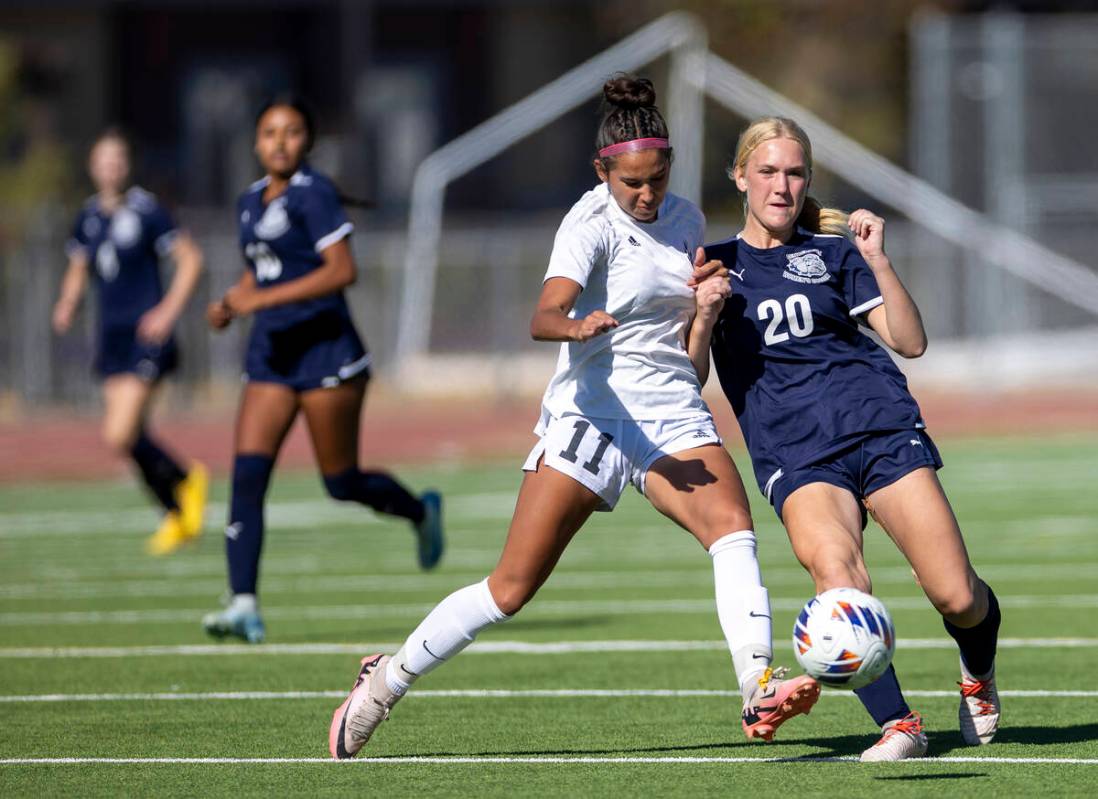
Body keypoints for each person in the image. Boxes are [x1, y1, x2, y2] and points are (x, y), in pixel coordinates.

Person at [328, 77, 820, 761]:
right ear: (603, 171)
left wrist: (705, 310)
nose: (646, 195)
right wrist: (575, 323)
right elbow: (542, 315)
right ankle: (382, 683)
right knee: (509, 589)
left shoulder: (682, 221)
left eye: (657, 178)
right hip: (591, 419)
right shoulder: (589, 225)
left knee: (733, 530)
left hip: (671, 413)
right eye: (633, 184)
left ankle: (756, 683)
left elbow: (688, 358)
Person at [697, 116, 1002, 762]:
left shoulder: (834, 253)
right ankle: (900, 725)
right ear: (740, 176)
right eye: (768, 171)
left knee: (957, 594)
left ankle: (977, 673)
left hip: (879, 427)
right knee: (837, 581)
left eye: (795, 172)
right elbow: (691, 376)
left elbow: (910, 342)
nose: (782, 185)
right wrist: (701, 313)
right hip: (797, 455)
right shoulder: (713, 266)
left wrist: (878, 260)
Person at [201, 96, 444, 645]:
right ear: (256, 143)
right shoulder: (249, 201)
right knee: (246, 476)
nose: (279, 142)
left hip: (328, 355)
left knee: (341, 481)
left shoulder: (315, 196)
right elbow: (258, 276)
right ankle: (243, 603)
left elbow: (342, 270)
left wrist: (261, 301)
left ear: (306, 141)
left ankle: (419, 512)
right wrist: (230, 302)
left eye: (291, 132)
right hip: (271, 357)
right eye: (269, 133)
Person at [52, 129, 208, 555]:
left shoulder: (147, 211)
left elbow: (191, 260)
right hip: (112, 337)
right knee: (126, 436)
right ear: (92, 166)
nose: (111, 167)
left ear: (127, 165)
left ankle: (183, 482)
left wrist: (167, 312)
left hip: (147, 337)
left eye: (118, 159)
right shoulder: (87, 217)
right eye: (103, 160)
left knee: (120, 432)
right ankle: (176, 509)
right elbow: (79, 266)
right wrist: (67, 302)